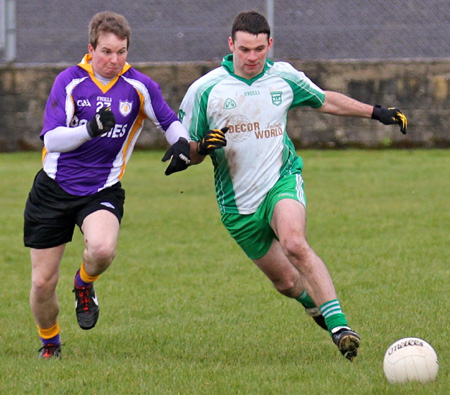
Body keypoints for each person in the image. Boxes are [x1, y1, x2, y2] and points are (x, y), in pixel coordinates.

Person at [179, 10, 407, 362]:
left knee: (294, 243)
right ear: (230, 45)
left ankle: (341, 328)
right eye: (244, 50)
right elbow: (185, 154)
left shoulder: (283, 77)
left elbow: (325, 99)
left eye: (259, 49)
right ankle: (314, 307)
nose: (252, 57)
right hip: (238, 207)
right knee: (286, 283)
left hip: (281, 181)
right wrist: (202, 148)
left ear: (269, 44)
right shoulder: (204, 90)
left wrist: (376, 112)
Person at [24, 11, 191, 360]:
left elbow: (169, 120)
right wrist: (89, 129)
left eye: (121, 52)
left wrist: (180, 143)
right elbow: (52, 139)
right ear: (91, 49)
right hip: (53, 189)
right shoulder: (69, 81)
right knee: (42, 284)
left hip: (102, 189)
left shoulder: (139, 86)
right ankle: (50, 341)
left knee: (101, 249)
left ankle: (84, 284)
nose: (114, 60)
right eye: (106, 51)